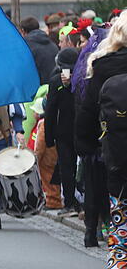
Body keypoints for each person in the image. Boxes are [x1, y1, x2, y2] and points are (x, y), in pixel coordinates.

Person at [72, 13, 127, 269]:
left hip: (119, 179)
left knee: (120, 250)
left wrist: (98, 153)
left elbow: (83, 129)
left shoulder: (101, 69)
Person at [77, 13, 127, 249]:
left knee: (121, 226)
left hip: (116, 156)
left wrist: (87, 145)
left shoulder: (102, 66)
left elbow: (87, 114)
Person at [45, 47, 81, 215]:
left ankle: (70, 202)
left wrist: (49, 137)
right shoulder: (83, 79)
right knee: (75, 166)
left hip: (64, 131)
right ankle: (77, 201)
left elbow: (50, 111)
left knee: (67, 167)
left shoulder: (56, 81)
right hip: (79, 130)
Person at [20, 16, 60, 85]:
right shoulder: (52, 43)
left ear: (23, 31)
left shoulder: (25, 47)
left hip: (37, 87)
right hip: (53, 84)